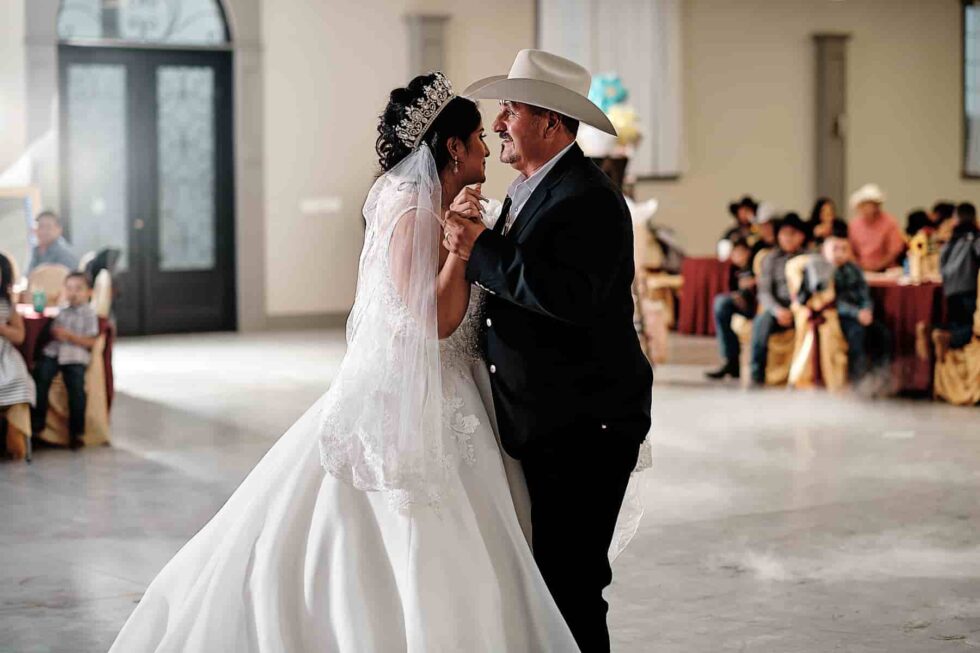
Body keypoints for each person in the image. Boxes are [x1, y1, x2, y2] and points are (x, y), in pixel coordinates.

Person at [110, 72, 588, 652]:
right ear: (454, 148)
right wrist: (464, 251)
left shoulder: (435, 203)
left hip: (460, 388)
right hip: (424, 393)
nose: (488, 146)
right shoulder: (413, 211)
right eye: (478, 138)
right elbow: (435, 321)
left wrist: (466, 236)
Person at [444, 49, 653, 652]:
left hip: (586, 424)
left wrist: (479, 249)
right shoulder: (530, 188)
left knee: (573, 583)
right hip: (548, 417)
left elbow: (570, 297)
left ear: (551, 122)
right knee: (550, 580)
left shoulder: (589, 197)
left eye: (510, 110)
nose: (499, 123)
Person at [796, 225, 874, 381]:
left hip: (859, 313)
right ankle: (857, 382)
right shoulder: (822, 270)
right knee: (856, 333)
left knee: (882, 334)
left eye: (844, 249)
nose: (839, 254)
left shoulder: (854, 269)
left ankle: (880, 379)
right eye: (835, 249)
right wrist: (857, 313)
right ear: (824, 250)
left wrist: (867, 310)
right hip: (837, 315)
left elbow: (864, 293)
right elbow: (832, 301)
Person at [30, 272, 98, 450]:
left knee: (76, 389)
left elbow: (91, 341)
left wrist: (69, 336)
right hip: (55, 352)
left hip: (75, 355)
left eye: (78, 289)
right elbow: (52, 331)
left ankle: (77, 432)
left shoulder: (90, 313)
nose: (73, 293)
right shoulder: (61, 310)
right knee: (40, 376)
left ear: (89, 292)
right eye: (69, 288)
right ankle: (37, 424)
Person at [750, 212, 808, 386]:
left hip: (803, 308)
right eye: (784, 234)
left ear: (801, 236)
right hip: (778, 306)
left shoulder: (809, 258)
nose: (788, 238)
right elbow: (764, 292)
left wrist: (798, 308)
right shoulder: (771, 258)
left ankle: (805, 376)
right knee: (761, 322)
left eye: (793, 234)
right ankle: (757, 375)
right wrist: (777, 310)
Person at [705, 239, 757, 380]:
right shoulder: (733, 270)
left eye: (741, 252)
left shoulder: (756, 266)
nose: (738, 256)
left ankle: (755, 368)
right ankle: (730, 360)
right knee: (721, 305)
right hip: (740, 305)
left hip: (757, 304)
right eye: (735, 253)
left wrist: (754, 283)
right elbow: (732, 290)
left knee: (722, 303)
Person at [0, 254, 36, 453]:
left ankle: (16, 434)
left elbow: (20, 335)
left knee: (19, 381)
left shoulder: (7, 305)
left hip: (5, 356)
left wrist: (3, 330)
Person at [939, 202, 980, 348]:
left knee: (956, 322)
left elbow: (942, 261)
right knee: (971, 325)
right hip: (968, 288)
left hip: (950, 289)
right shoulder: (974, 237)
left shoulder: (952, 238)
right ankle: (950, 339)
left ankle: (938, 333)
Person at [847, 183, 905, 272]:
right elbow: (849, 250)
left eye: (872, 204)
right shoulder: (854, 225)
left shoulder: (890, 222)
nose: (869, 208)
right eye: (865, 204)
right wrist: (859, 266)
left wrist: (879, 266)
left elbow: (895, 250)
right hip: (861, 270)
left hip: (886, 270)